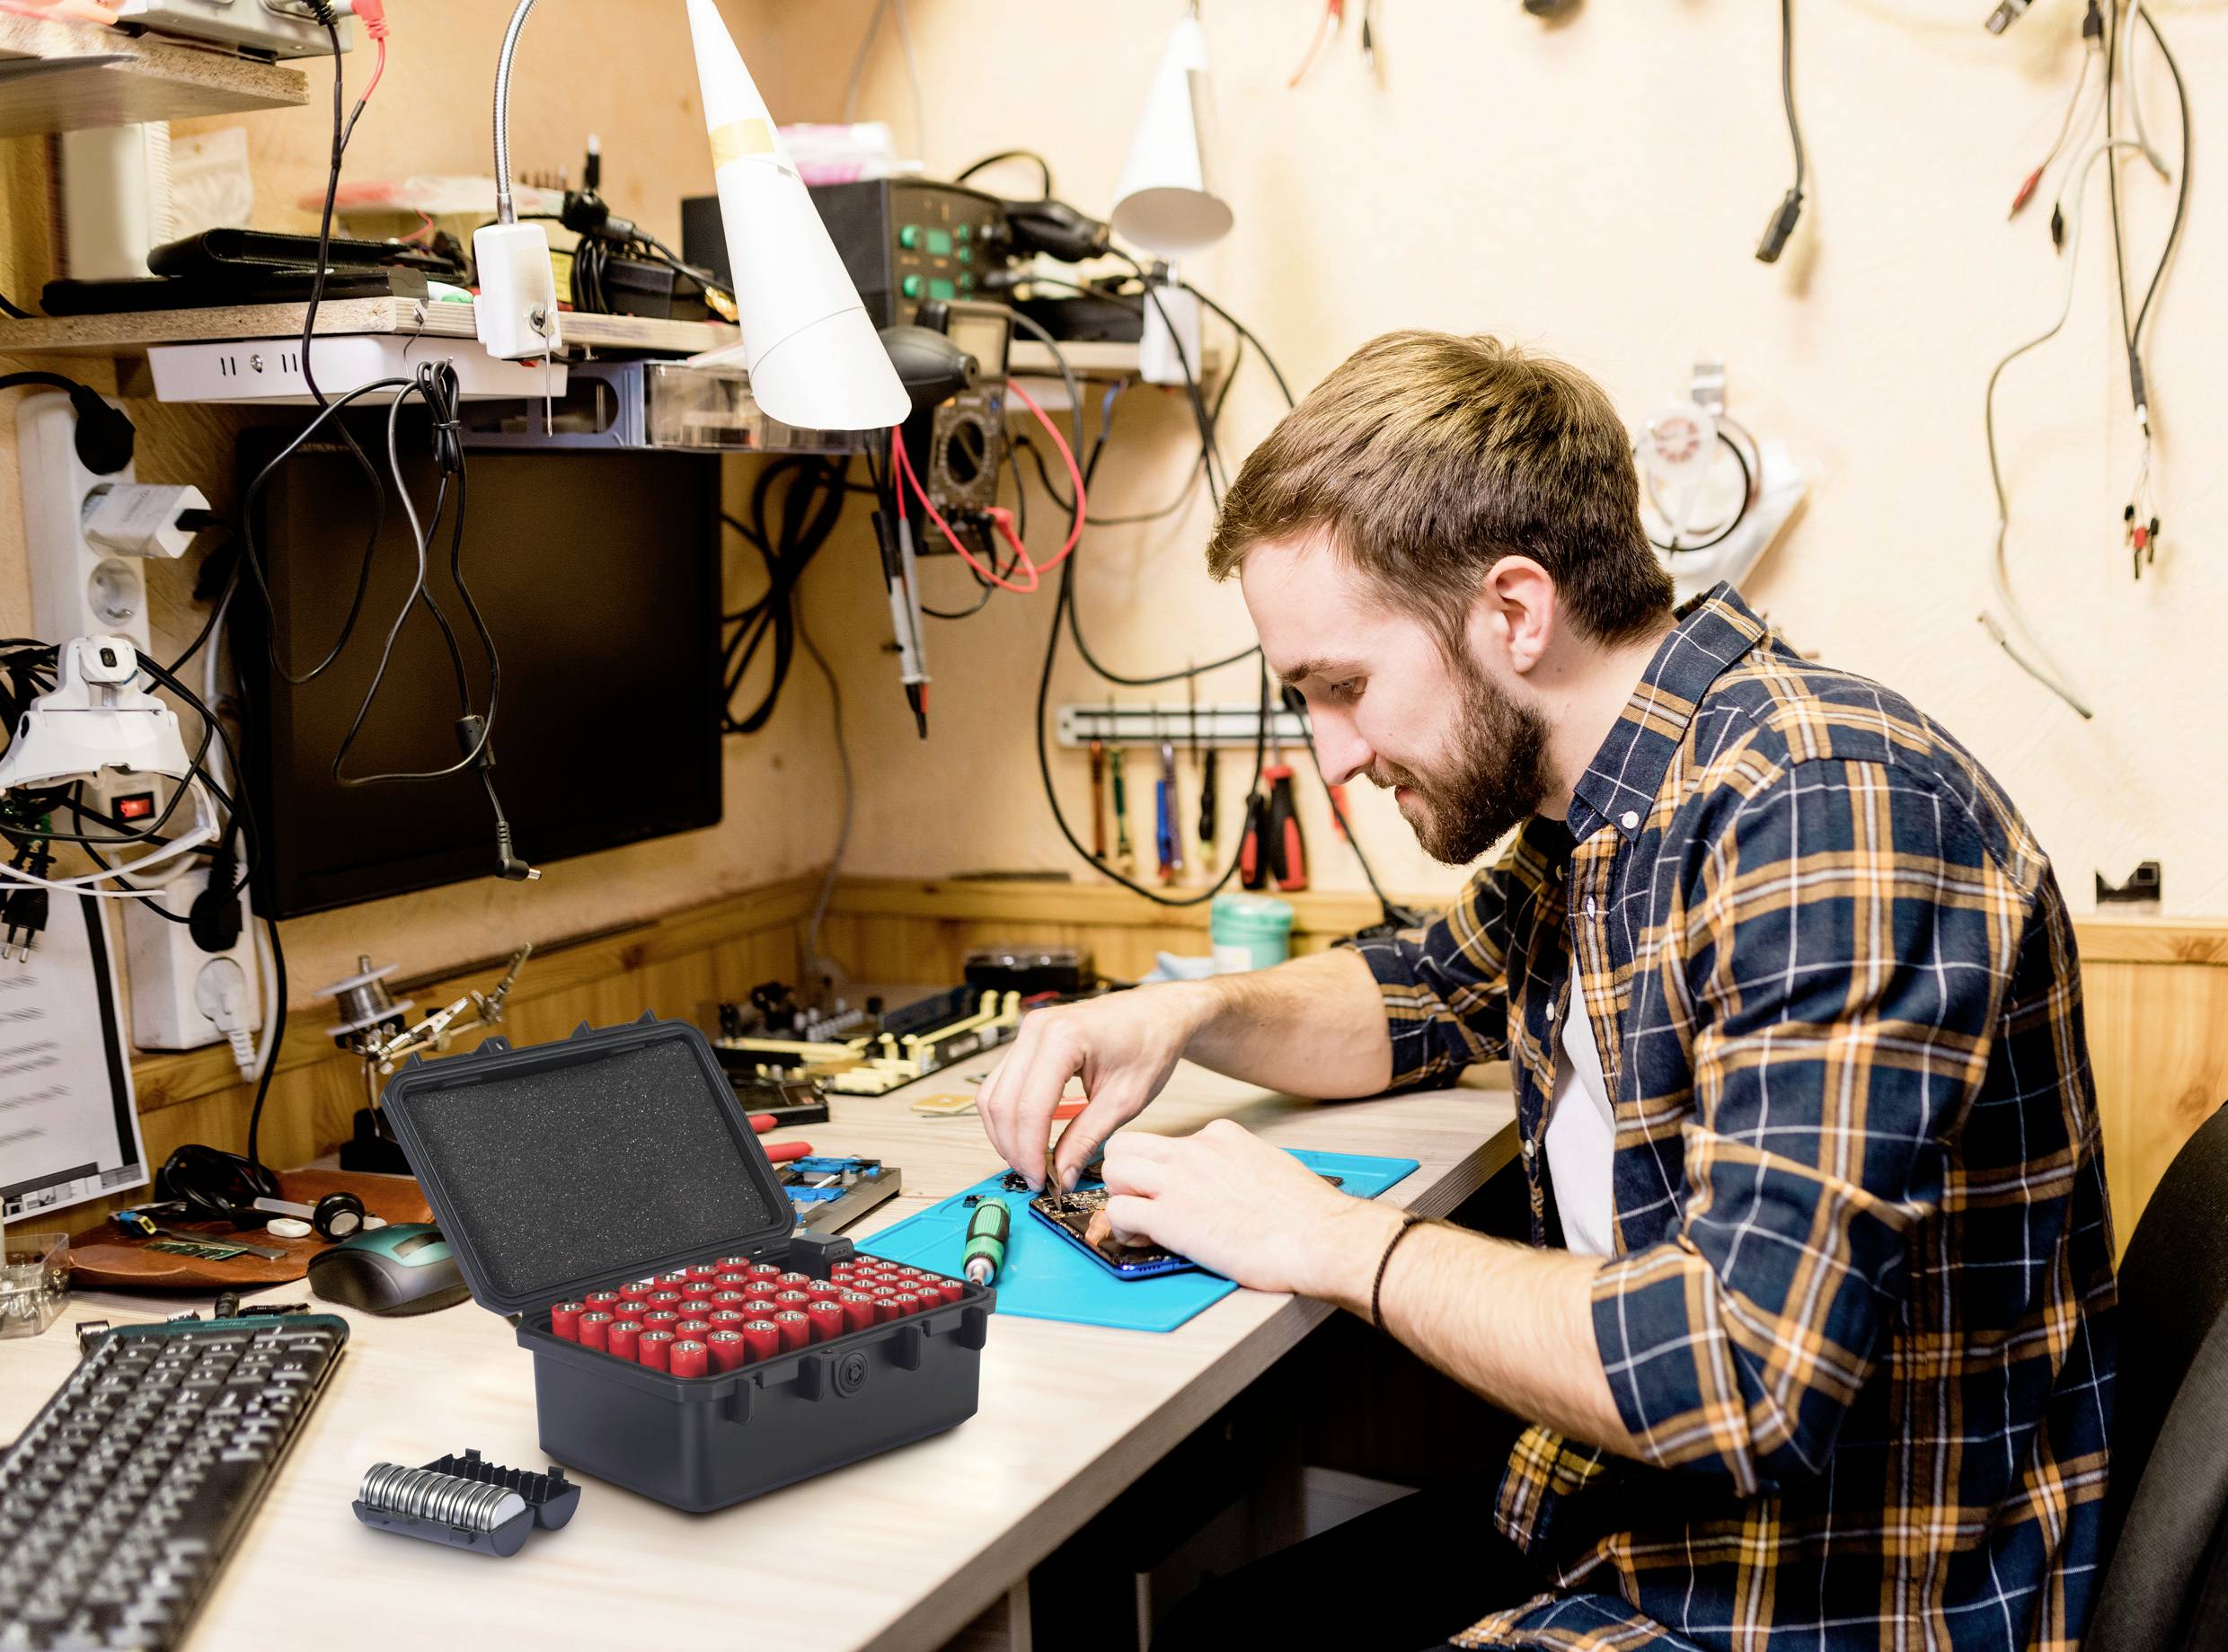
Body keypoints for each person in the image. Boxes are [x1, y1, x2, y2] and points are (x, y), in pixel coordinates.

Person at [974, 332, 2116, 1651]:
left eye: (1344, 688)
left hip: (1822, 1604)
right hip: (1647, 1530)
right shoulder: (1603, 817)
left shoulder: (1820, 806)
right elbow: (1415, 994)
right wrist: (1178, 1016)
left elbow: (1743, 1377)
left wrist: (1333, 1244)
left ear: (1516, 612)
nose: (1335, 755)